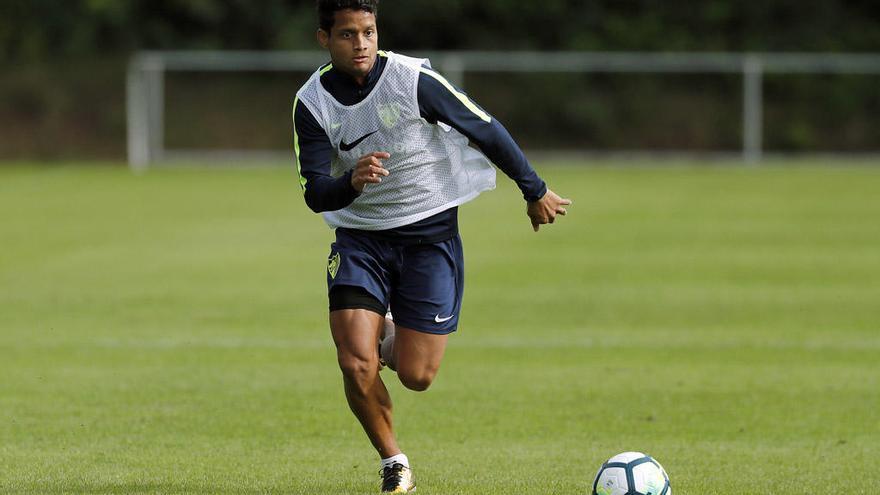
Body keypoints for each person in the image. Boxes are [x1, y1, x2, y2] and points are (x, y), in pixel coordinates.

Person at [292, 1, 571, 492]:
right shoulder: (312, 103)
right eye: (347, 34)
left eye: (368, 32)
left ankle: (386, 331)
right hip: (361, 240)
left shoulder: (413, 80)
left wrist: (535, 190)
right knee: (354, 361)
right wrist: (351, 183)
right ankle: (393, 462)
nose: (360, 44)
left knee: (418, 375)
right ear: (324, 38)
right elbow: (316, 190)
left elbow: (484, 128)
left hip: (429, 239)